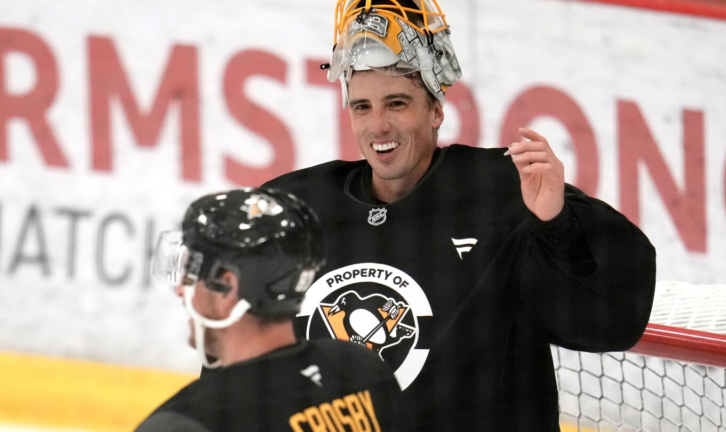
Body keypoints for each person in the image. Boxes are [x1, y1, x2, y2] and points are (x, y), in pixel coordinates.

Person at [263, 0, 657, 430]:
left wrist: (558, 223)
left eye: (397, 103)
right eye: (362, 107)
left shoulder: (499, 194)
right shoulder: (299, 205)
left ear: (436, 110)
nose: (378, 126)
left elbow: (612, 322)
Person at [136, 188, 404, 432]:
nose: (180, 289)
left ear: (227, 287)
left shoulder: (186, 422)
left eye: (191, 274)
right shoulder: (361, 370)